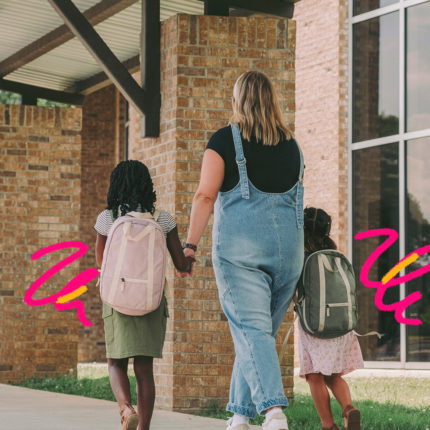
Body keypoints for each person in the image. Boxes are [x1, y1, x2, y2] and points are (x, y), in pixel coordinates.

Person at [179, 71, 304, 430]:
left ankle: (273, 411)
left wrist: (190, 246)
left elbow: (205, 194)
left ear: (238, 100)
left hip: (240, 254)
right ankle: (239, 414)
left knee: (252, 330)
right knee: (255, 333)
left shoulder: (223, 141)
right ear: (272, 100)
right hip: (288, 254)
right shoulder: (292, 145)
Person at [94, 160, 194, 430]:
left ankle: (126, 408)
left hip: (118, 298)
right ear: (147, 185)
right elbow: (180, 265)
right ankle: (144, 428)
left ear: (116, 185)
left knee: (116, 362)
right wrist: (188, 257)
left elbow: (101, 261)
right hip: (151, 299)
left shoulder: (108, 218)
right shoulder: (162, 219)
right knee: (144, 368)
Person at [298, 207, 364, 430]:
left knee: (314, 375)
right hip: (341, 325)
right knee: (334, 375)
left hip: (315, 326)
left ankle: (329, 425)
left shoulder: (303, 256)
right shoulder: (335, 254)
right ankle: (348, 408)